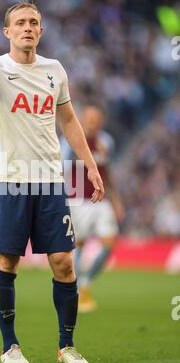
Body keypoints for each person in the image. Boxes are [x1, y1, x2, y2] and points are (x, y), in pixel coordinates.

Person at [0, 2, 104, 363]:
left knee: (63, 262)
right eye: (20, 23)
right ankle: (10, 347)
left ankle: (66, 347)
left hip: (50, 183)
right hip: (12, 183)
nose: (27, 27)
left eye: (34, 23)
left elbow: (70, 120)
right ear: (7, 32)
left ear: (41, 32)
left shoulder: (54, 71)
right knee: (7, 261)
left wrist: (90, 166)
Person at [62, 104, 124, 312]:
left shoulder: (107, 142)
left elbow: (109, 172)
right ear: (81, 118)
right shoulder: (69, 140)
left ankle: (86, 280)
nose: (91, 122)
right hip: (76, 199)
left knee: (109, 241)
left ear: (101, 121)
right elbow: (61, 169)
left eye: (95, 119)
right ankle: (80, 288)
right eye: (88, 118)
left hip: (100, 199)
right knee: (77, 245)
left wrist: (116, 201)